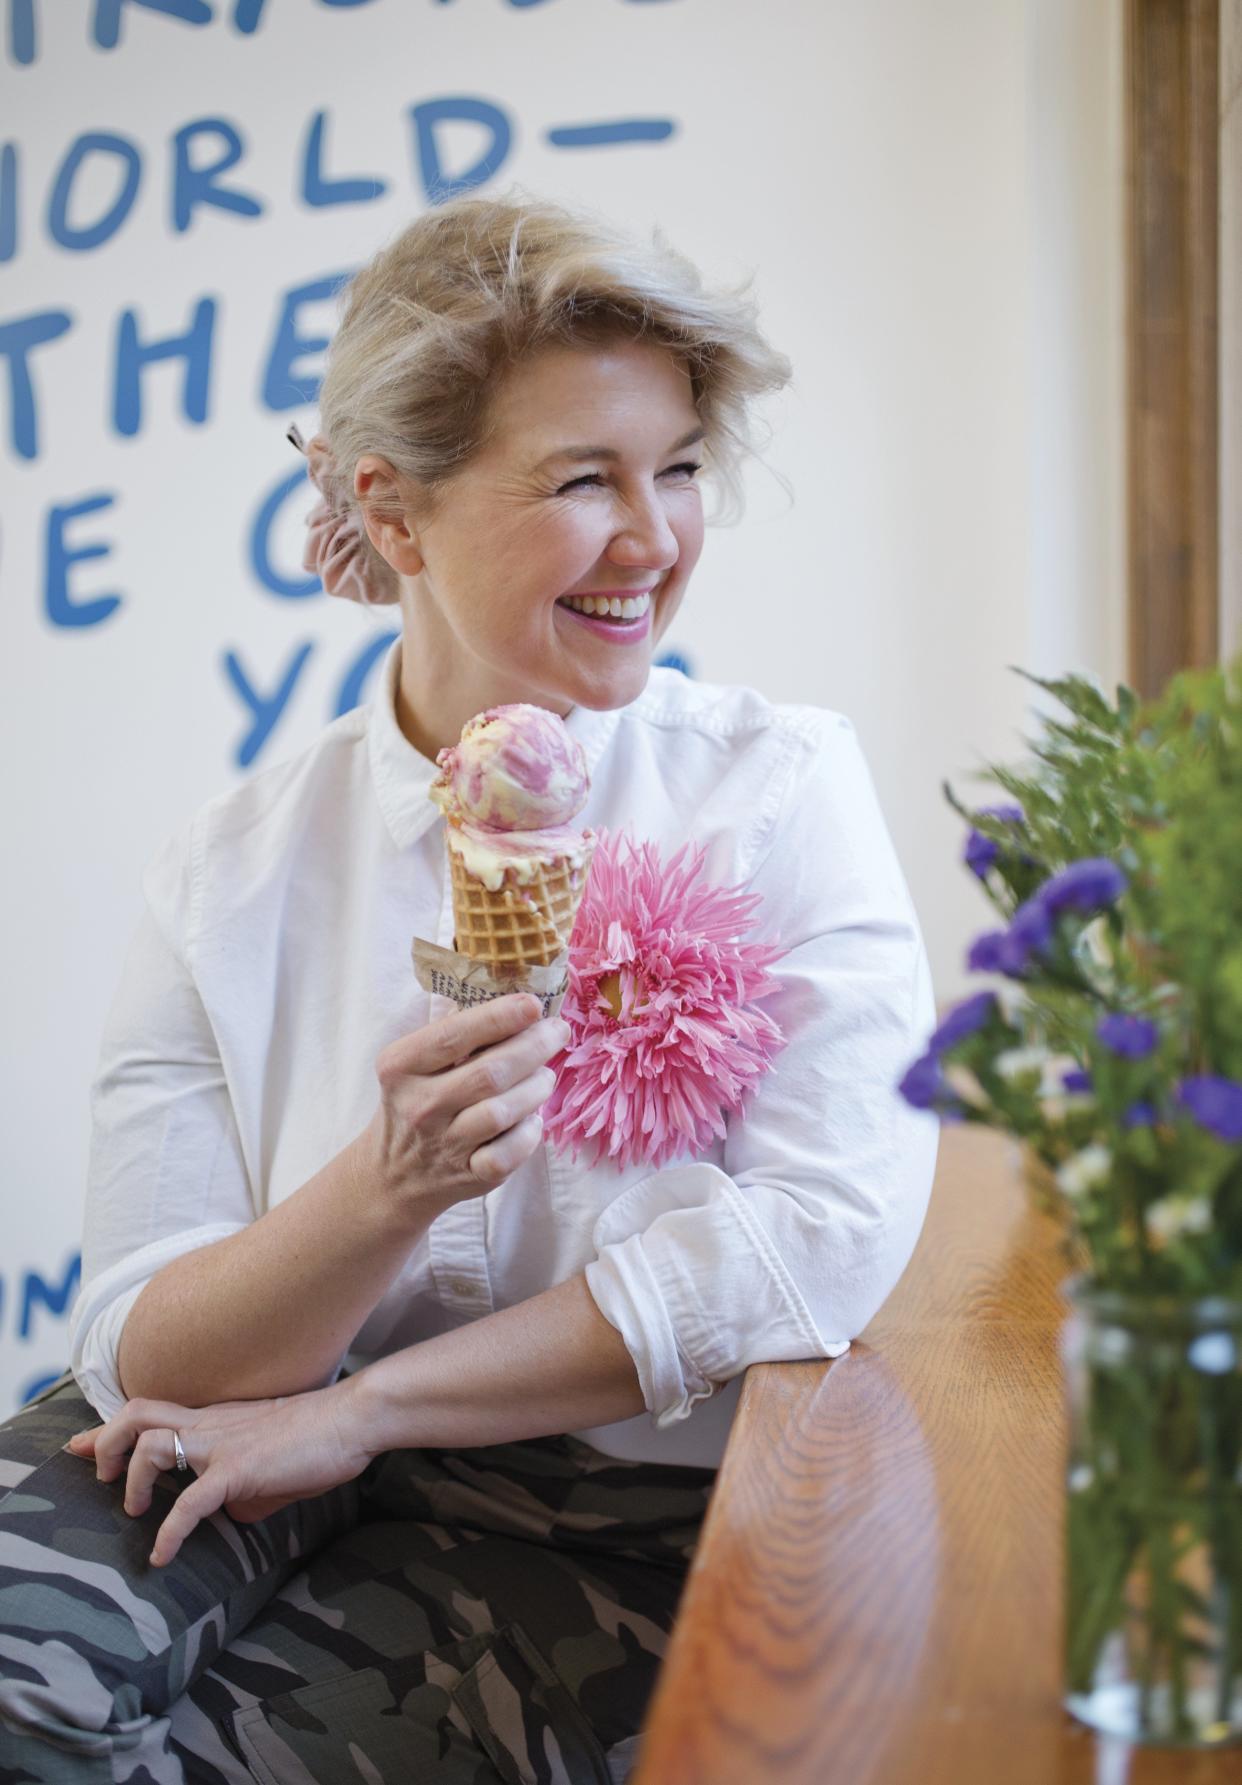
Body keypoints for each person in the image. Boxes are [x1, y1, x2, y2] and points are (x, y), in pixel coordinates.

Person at [0, 187, 939, 1781]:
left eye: (681, 471)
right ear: (394, 508)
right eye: (583, 478)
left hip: (605, 1515)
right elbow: (150, 1344)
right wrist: (383, 1189)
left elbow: (816, 1242)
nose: (653, 538)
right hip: (239, 1427)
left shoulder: (773, 792)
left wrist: (367, 1412)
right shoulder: (228, 871)